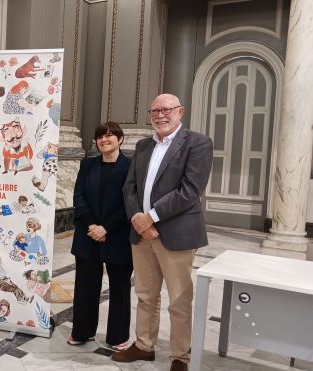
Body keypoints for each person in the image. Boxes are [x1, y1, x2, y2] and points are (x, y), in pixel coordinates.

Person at [112, 94, 213, 371]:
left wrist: (152, 217)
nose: (160, 115)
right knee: (145, 295)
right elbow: (129, 187)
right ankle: (144, 345)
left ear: (180, 111)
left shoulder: (198, 143)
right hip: (142, 235)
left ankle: (181, 356)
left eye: (166, 109)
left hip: (175, 234)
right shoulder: (144, 145)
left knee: (179, 300)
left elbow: (190, 190)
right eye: (155, 110)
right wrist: (137, 218)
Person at [68, 122, 132, 350]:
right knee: (85, 286)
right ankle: (82, 332)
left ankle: (118, 336)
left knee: (120, 288)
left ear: (120, 139)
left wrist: (106, 228)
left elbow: (130, 203)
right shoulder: (88, 164)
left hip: (118, 234)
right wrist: (92, 225)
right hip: (87, 233)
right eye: (100, 137)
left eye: (109, 136)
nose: (104, 140)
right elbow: (78, 196)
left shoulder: (131, 166)